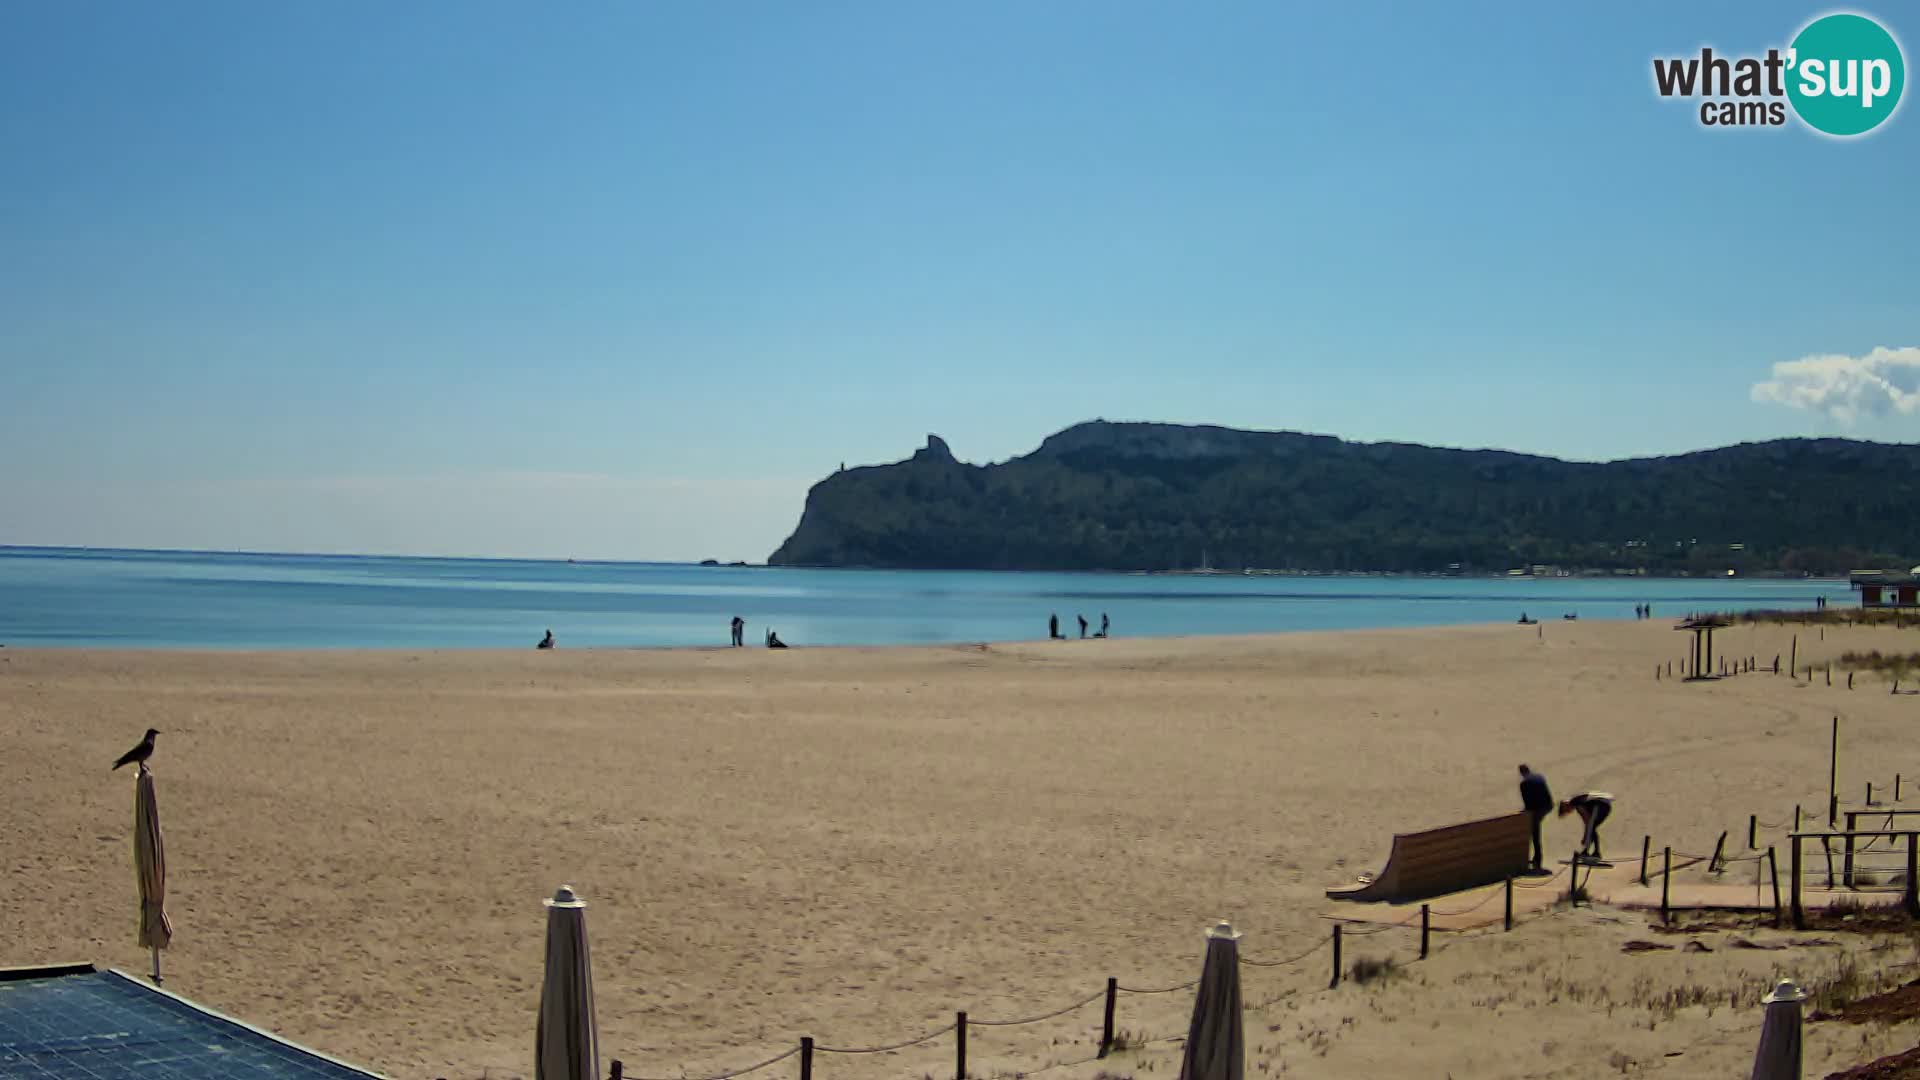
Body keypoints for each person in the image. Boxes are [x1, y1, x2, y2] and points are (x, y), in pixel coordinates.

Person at [1559, 791, 1614, 861]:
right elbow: (1587, 822)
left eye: (1567, 811)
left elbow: (1588, 821)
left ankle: (1595, 853)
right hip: (1605, 806)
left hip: (1600, 805)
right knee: (1592, 828)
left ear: (1566, 805)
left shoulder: (1574, 802)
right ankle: (1590, 852)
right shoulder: (1576, 803)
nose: (1569, 812)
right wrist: (1586, 836)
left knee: (1591, 828)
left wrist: (1585, 838)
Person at [1518, 764, 1553, 871]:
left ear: (1521, 773)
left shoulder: (1524, 784)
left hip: (1538, 809)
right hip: (1548, 806)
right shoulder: (1539, 777)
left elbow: (1527, 803)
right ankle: (1536, 858)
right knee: (1535, 829)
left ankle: (1537, 859)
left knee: (1535, 832)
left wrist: (1525, 813)